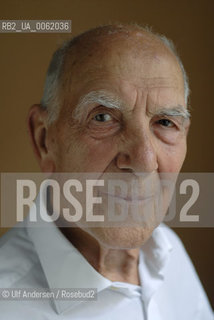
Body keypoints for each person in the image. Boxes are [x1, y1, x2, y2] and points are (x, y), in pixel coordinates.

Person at [0, 23, 213, 319]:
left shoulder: (168, 251)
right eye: (102, 117)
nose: (143, 160)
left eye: (165, 123)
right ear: (44, 139)